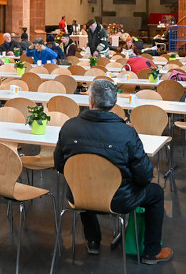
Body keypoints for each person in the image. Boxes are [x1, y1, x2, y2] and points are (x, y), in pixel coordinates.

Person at [54, 79, 172, 264]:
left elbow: (60, 165)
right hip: (119, 200)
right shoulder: (126, 133)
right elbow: (144, 176)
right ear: (114, 103)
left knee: (85, 180)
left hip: (79, 196)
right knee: (155, 193)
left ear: (90, 100)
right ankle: (151, 252)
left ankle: (93, 241)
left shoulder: (69, 127)